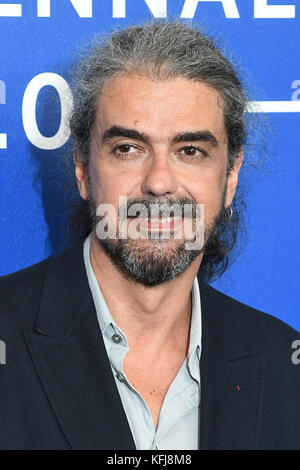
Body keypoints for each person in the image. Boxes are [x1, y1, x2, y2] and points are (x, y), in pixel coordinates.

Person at [1, 20, 300, 451]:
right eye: (128, 148)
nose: (159, 182)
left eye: (190, 151)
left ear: (230, 178)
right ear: (83, 169)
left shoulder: (283, 365)